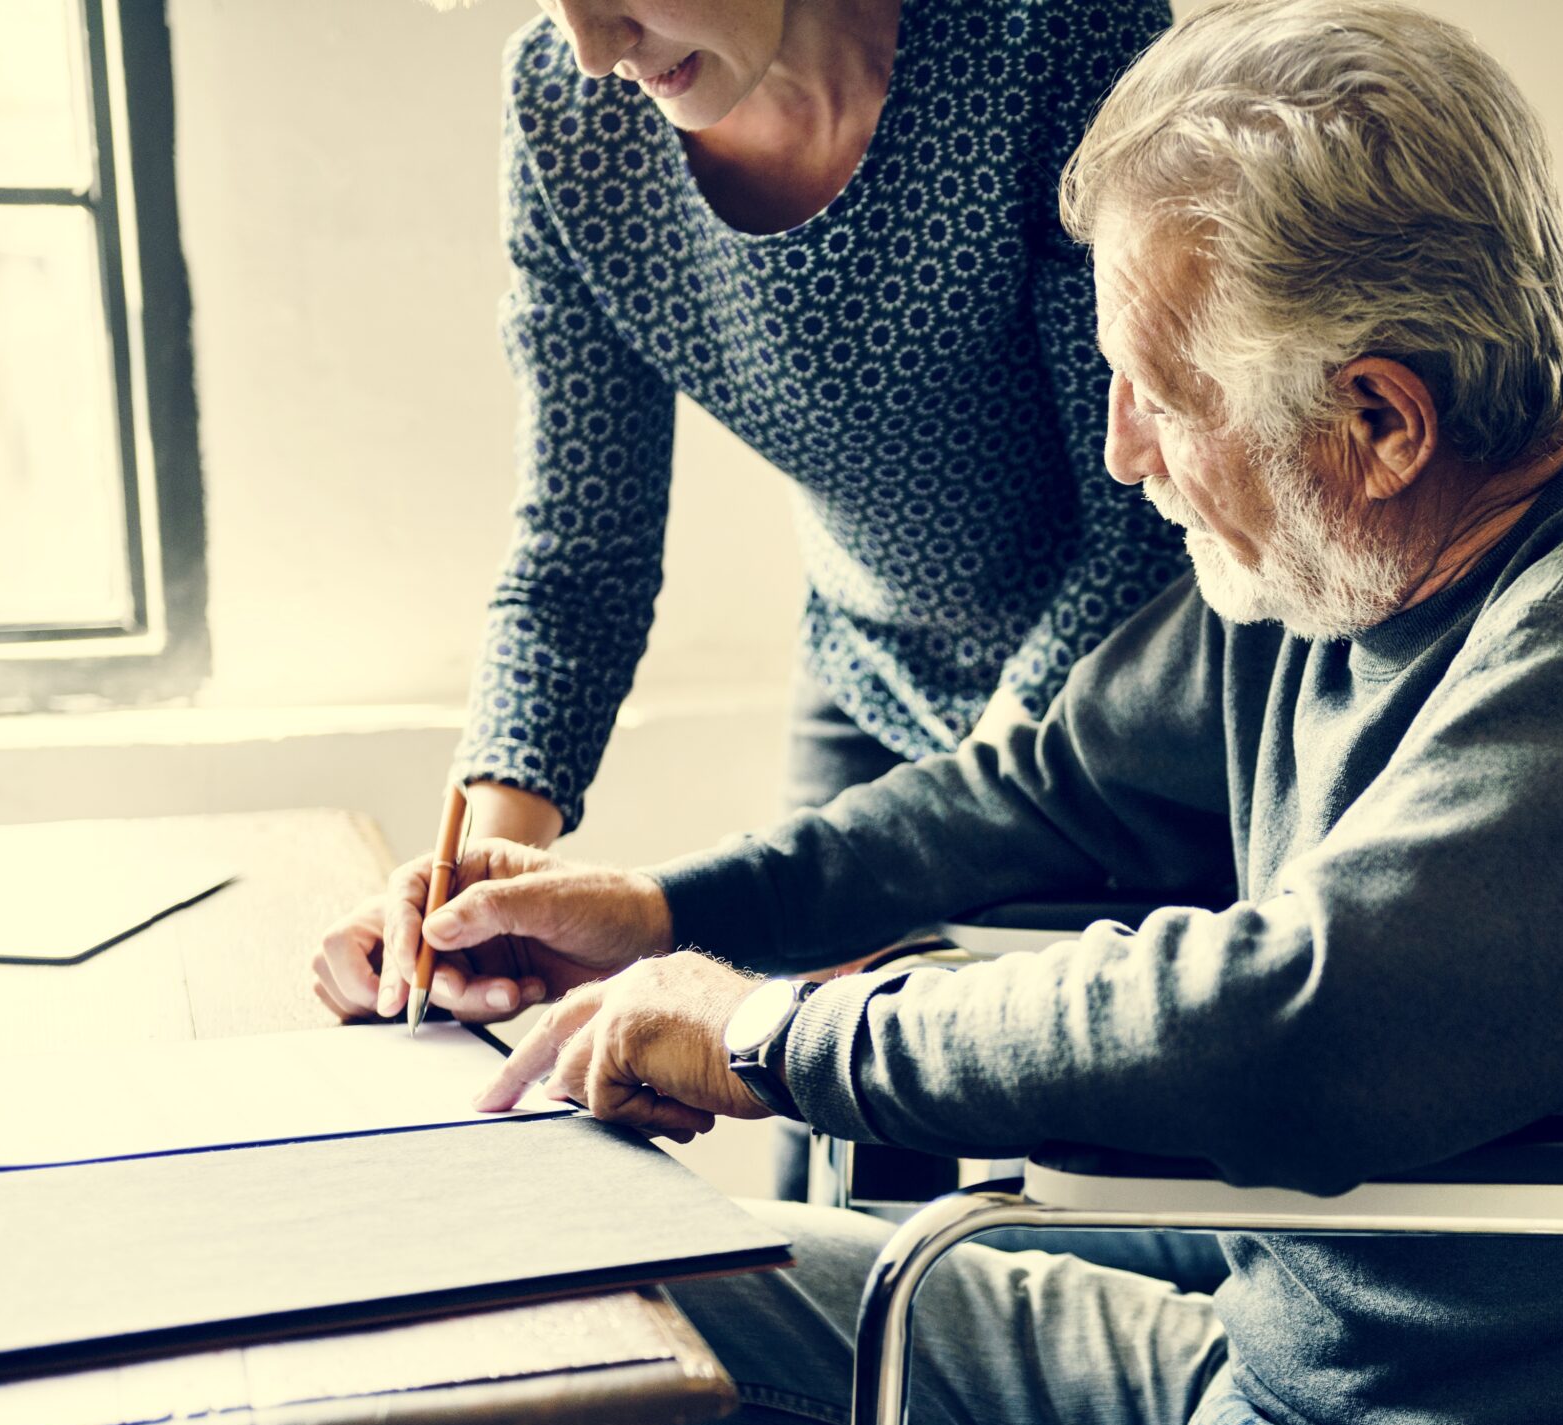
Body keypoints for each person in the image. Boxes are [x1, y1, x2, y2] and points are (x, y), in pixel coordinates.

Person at [408, 3, 1563, 1425]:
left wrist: (773, 1037)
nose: (1126, 455)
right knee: (655, 1296)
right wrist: (655, 915)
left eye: (1160, 396)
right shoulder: (1339, 557)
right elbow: (1034, 788)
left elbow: (1295, 1018)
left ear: (1377, 416)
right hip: (1274, 1379)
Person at [308, 0, 1188, 1204]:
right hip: (867, 665)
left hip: (1136, 679)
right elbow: (580, 548)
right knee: (820, 1153)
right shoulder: (570, 114)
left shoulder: (1046, 34)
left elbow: (1144, 508)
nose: (592, 46)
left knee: (1108, 1157)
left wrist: (930, 838)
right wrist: (484, 871)